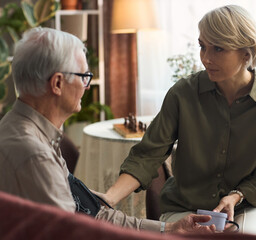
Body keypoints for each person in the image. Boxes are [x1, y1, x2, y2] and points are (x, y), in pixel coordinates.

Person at [101, 5, 256, 237]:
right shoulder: (182, 94)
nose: (206, 58)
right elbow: (148, 154)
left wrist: (235, 196)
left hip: (247, 206)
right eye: (203, 46)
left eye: (218, 49)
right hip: (184, 205)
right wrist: (108, 198)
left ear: (246, 53)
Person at [0, 27, 215, 234]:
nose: (87, 86)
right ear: (57, 83)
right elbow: (74, 232)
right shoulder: (35, 154)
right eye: (84, 76)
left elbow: (92, 214)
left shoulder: (31, 133)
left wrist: (169, 229)